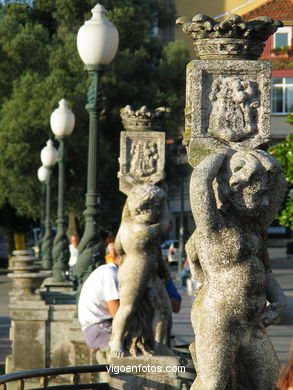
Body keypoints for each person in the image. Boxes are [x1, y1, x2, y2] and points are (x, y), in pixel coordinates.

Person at [78, 254, 121, 358]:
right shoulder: (111, 274)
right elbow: (117, 314)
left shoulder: (105, 270)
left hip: (94, 330)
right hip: (100, 329)